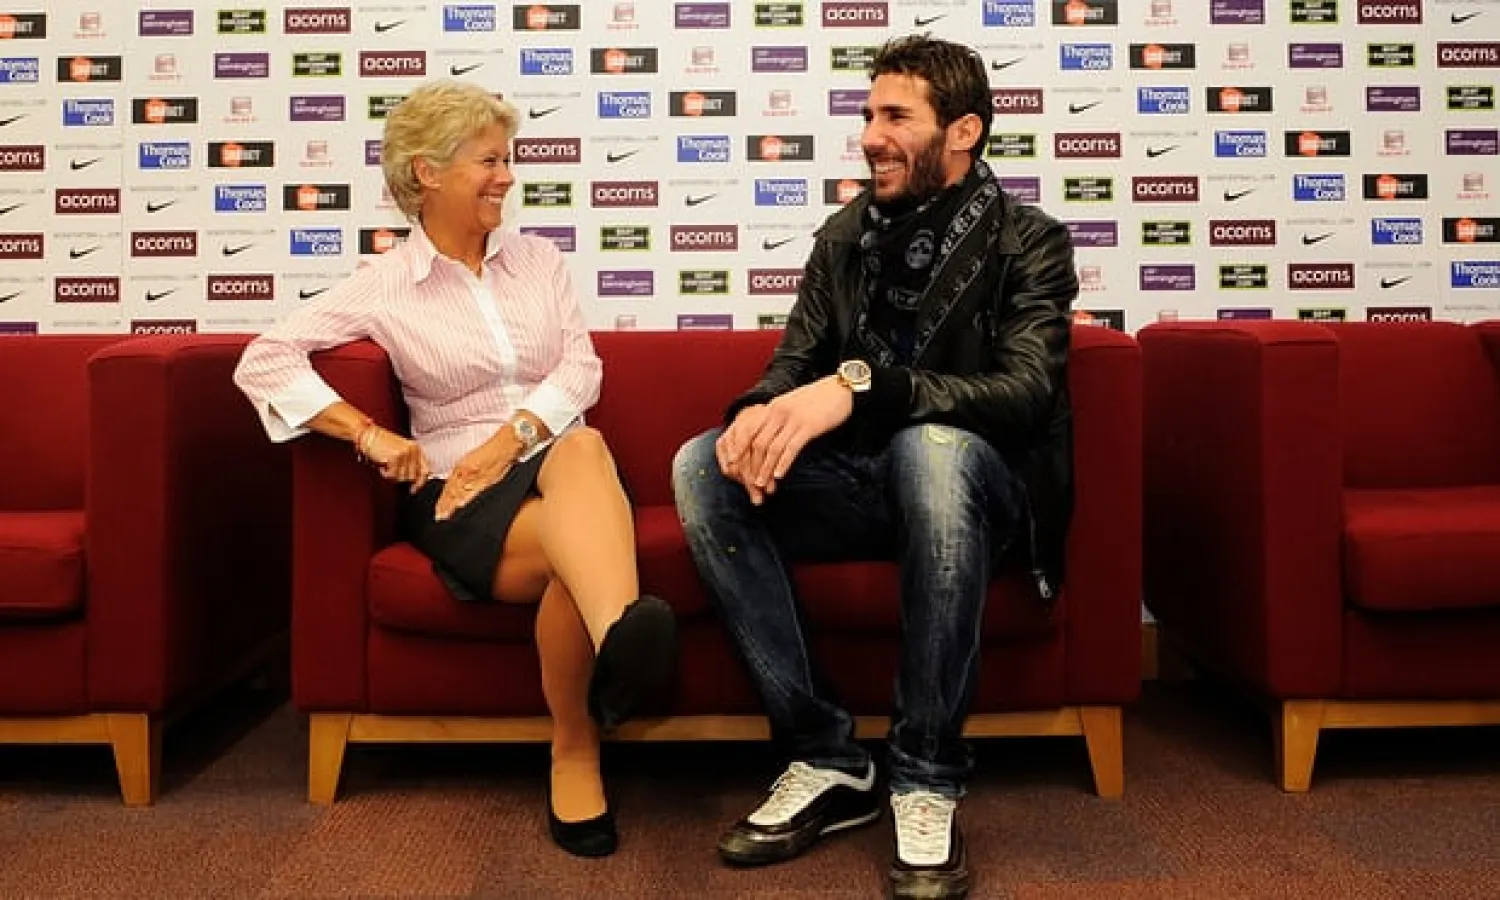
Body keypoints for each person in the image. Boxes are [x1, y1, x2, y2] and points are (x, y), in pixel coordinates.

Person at [671, 35, 1078, 900]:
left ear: (962, 132)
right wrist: (755, 417)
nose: (869, 137)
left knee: (931, 448)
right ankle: (827, 756)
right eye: (867, 115)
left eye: (896, 117)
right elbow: (794, 363)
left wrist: (863, 386)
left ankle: (926, 771)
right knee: (701, 464)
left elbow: (1024, 394)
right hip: (860, 487)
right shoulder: (846, 235)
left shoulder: (1030, 242)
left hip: (979, 495)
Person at [233, 79, 676, 859]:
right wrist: (367, 433)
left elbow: (580, 368)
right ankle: (618, 657)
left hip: (562, 474)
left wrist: (508, 440)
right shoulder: (385, 285)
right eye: (489, 161)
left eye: (508, 159)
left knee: (580, 447)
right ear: (427, 173)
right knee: (580, 532)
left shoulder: (538, 261)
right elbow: (264, 360)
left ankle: (587, 720)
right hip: (458, 497)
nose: (507, 176)